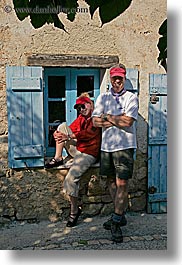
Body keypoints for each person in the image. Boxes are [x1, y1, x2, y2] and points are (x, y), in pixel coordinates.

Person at [92, 65, 139, 243]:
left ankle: (116, 222)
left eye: (120, 78)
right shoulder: (103, 97)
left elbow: (127, 122)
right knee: (110, 181)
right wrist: (116, 118)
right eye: (114, 78)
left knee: (122, 182)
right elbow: (95, 122)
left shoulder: (131, 98)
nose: (117, 81)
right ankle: (119, 213)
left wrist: (107, 116)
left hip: (124, 146)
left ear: (124, 79)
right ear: (110, 79)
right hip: (107, 147)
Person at [45, 93, 101, 227]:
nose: (81, 109)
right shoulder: (81, 118)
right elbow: (71, 129)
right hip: (80, 150)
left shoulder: (96, 118)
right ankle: (58, 157)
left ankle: (75, 211)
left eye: (83, 106)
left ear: (90, 104)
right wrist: (59, 134)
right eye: (79, 108)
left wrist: (68, 136)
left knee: (70, 179)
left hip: (89, 154)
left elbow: (87, 134)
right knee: (62, 126)